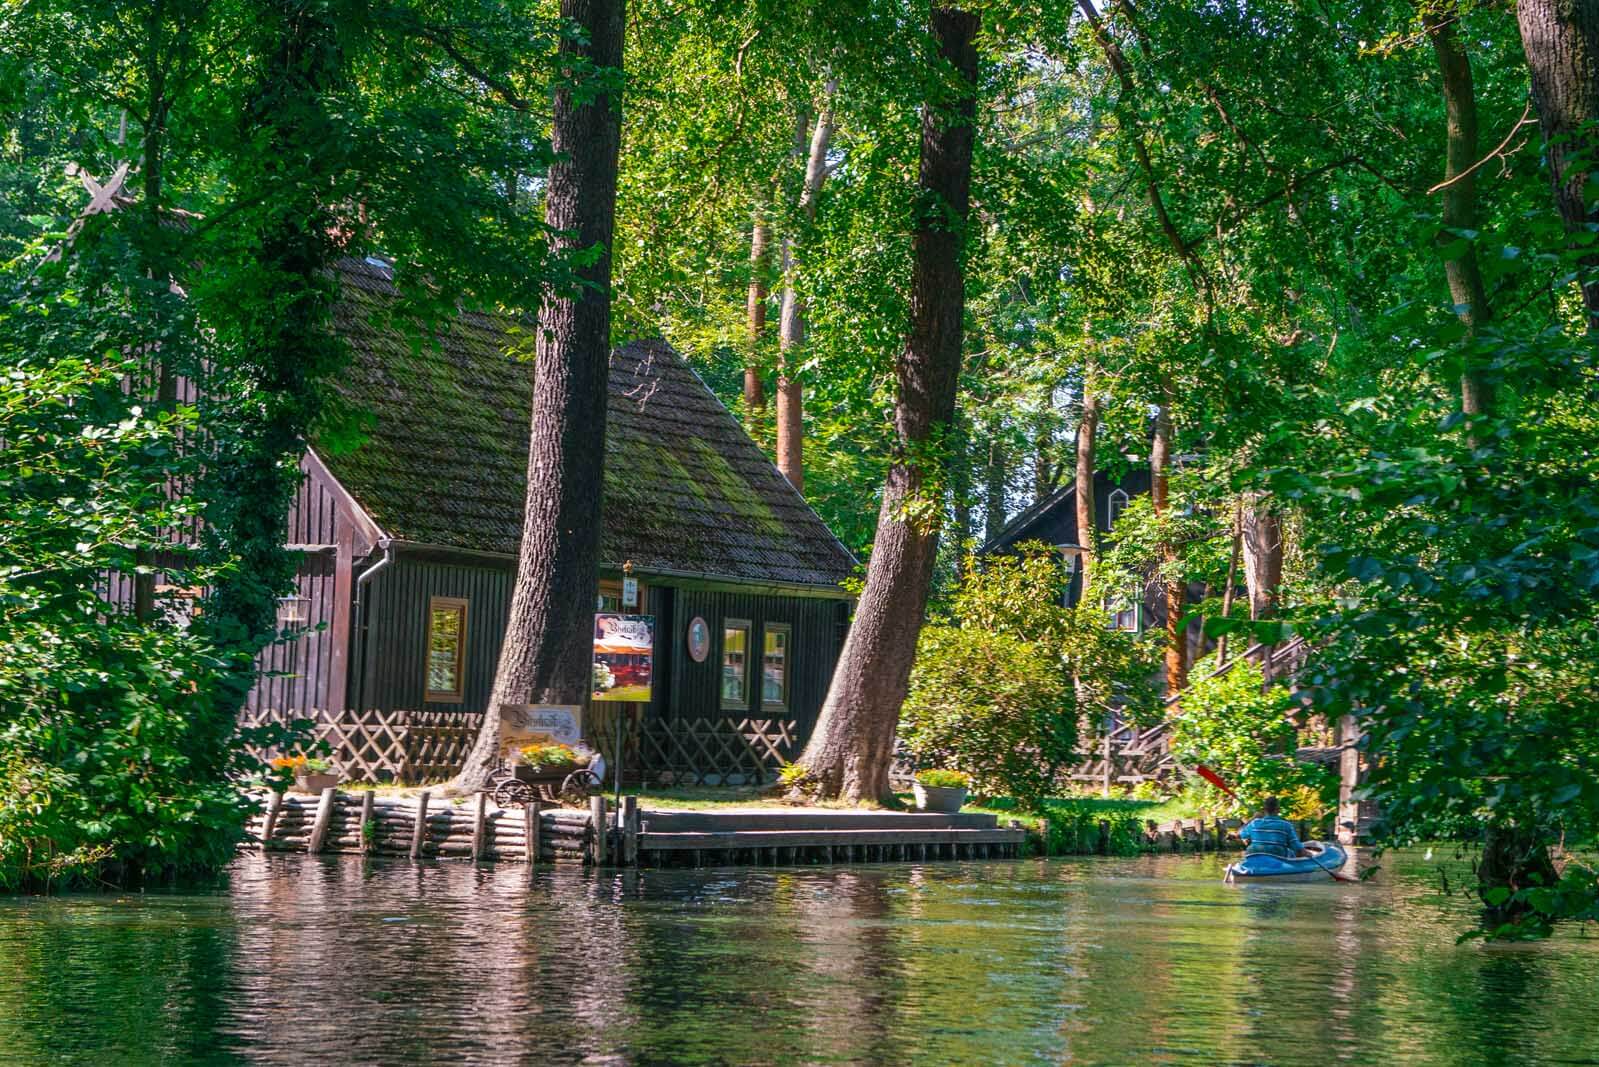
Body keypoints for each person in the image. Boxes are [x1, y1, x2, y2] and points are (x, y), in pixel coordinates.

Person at [1238, 796, 1308, 859]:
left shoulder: (1255, 823)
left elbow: (1241, 834)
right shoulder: (1286, 825)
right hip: (1278, 856)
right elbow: (1296, 846)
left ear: (1264, 809)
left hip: (1255, 854)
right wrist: (1308, 853)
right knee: (1293, 852)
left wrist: (1252, 818)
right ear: (1278, 810)